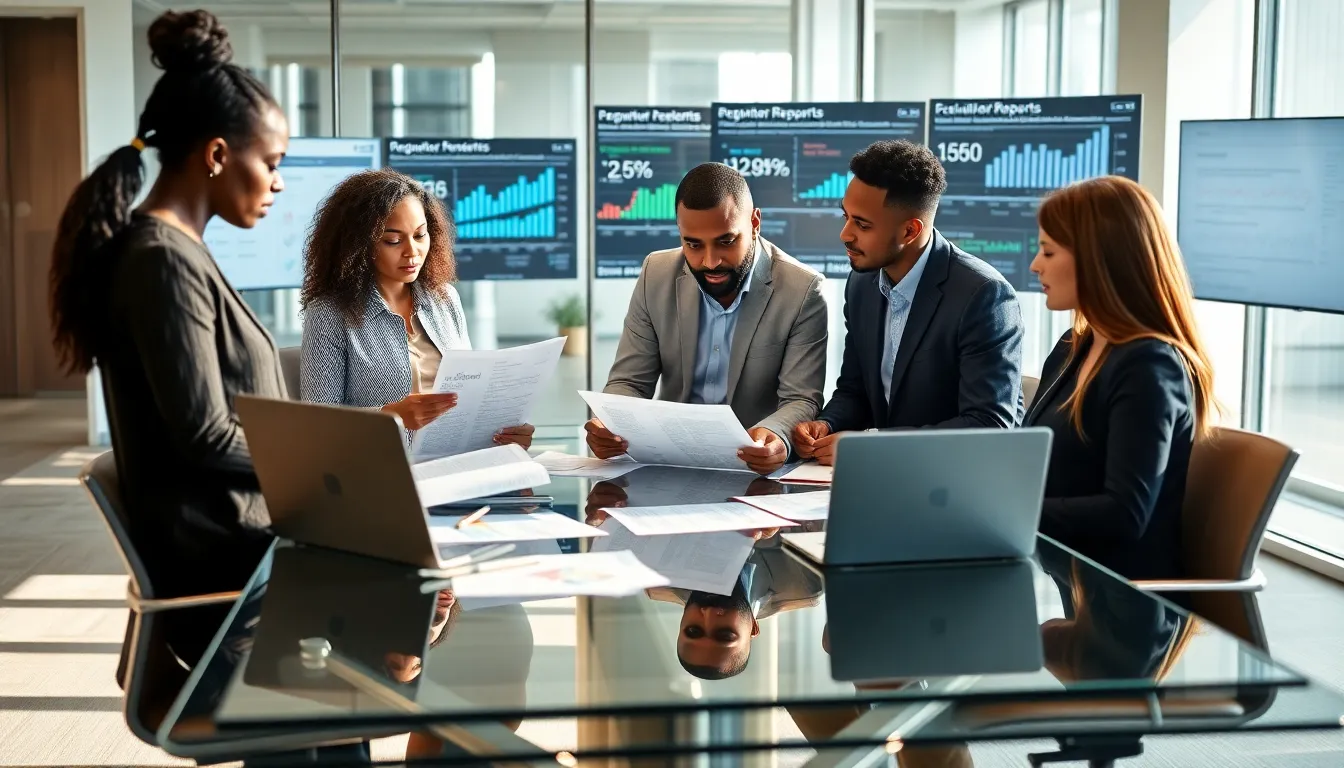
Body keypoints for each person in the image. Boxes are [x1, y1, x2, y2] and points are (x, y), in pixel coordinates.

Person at [47, 10, 289, 665]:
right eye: (272, 162)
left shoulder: (176, 251)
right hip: (229, 577)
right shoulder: (160, 260)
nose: (279, 181)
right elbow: (205, 436)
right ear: (216, 155)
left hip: (248, 552)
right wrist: (327, 467)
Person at [1025, 175, 1216, 581]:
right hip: (1067, 578)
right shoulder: (1072, 347)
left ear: (1099, 259)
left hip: (1124, 605)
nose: (1035, 264)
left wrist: (1006, 507)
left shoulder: (1148, 366)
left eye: (1048, 251)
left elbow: (1123, 514)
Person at [792, 140, 1025, 465]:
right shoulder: (862, 284)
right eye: (845, 216)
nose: (845, 234)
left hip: (957, 483)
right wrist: (828, 424)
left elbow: (987, 427)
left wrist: (872, 446)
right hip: (887, 479)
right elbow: (854, 391)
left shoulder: (984, 296)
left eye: (862, 224)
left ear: (910, 231)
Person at [586, 162, 828, 475]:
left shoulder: (803, 290)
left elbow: (801, 399)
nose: (709, 262)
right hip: (670, 463)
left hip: (752, 468)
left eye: (726, 241)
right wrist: (611, 421)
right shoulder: (655, 274)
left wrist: (777, 436)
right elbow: (629, 381)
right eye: (693, 244)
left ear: (755, 223)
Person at [299, 169, 534, 449]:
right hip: (384, 472)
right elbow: (317, 425)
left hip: (456, 462)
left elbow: (470, 396)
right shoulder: (329, 314)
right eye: (393, 241)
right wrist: (390, 416)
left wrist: (502, 431)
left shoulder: (445, 299)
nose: (412, 252)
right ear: (359, 245)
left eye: (420, 235)